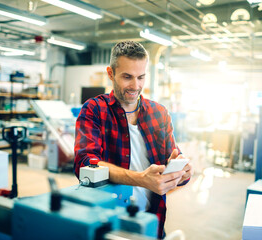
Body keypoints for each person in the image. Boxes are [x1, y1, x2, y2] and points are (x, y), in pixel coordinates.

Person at [74, 40, 193, 239]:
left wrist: (183, 172)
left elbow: (172, 158)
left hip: (152, 221)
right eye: (127, 77)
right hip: (110, 221)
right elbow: (84, 164)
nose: (135, 86)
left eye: (141, 77)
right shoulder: (94, 109)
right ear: (111, 73)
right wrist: (141, 180)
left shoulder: (159, 113)